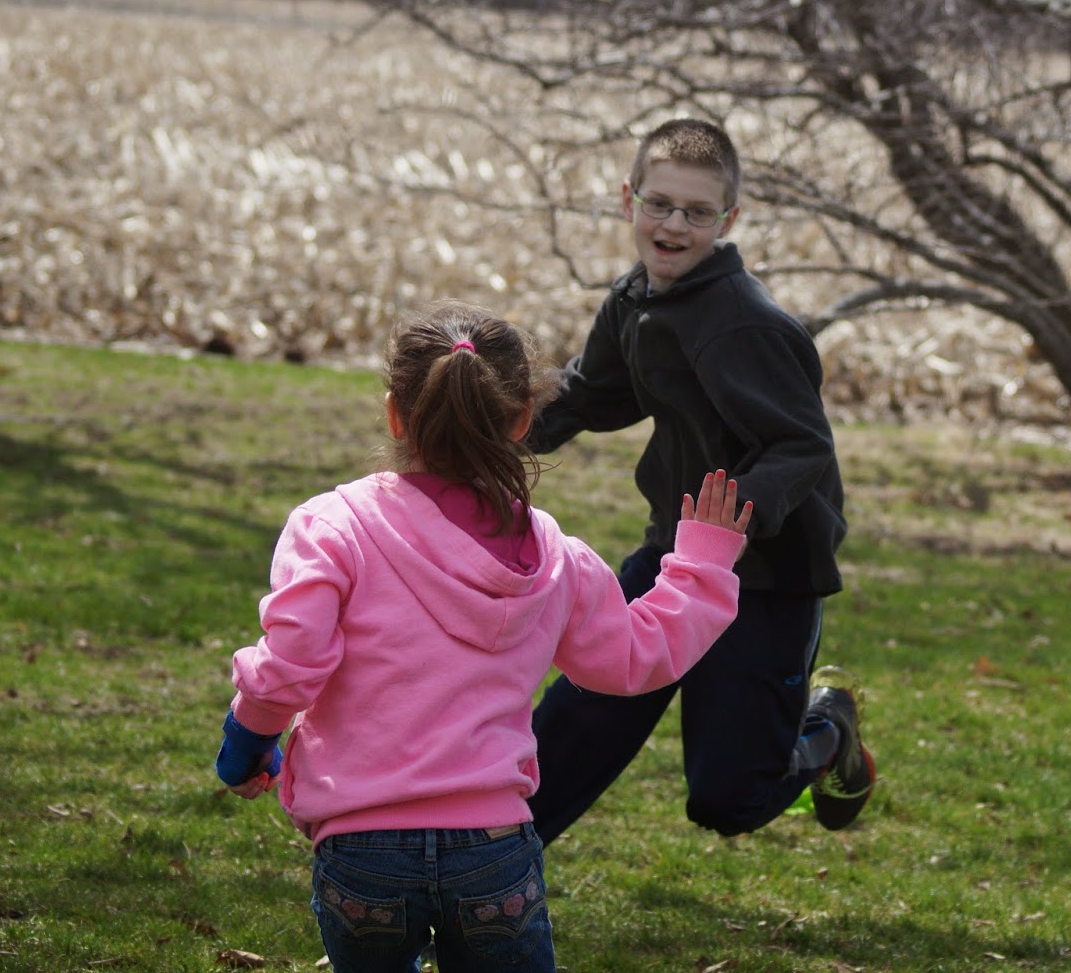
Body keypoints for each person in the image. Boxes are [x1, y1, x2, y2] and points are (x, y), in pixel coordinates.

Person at [213, 301, 754, 973]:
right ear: (523, 420)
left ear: (394, 413)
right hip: (494, 851)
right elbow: (636, 658)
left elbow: (289, 667)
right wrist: (701, 565)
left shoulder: (331, 528)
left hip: (361, 852)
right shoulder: (553, 556)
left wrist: (246, 746)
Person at [524, 117, 874, 844]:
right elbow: (591, 394)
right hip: (671, 554)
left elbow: (802, 443)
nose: (674, 225)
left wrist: (733, 518)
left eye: (697, 212)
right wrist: (493, 437)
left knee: (727, 798)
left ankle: (828, 729)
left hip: (765, 577)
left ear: (728, 219)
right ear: (629, 200)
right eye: (659, 204)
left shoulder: (745, 325)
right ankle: (484, 878)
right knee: (564, 741)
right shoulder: (636, 300)